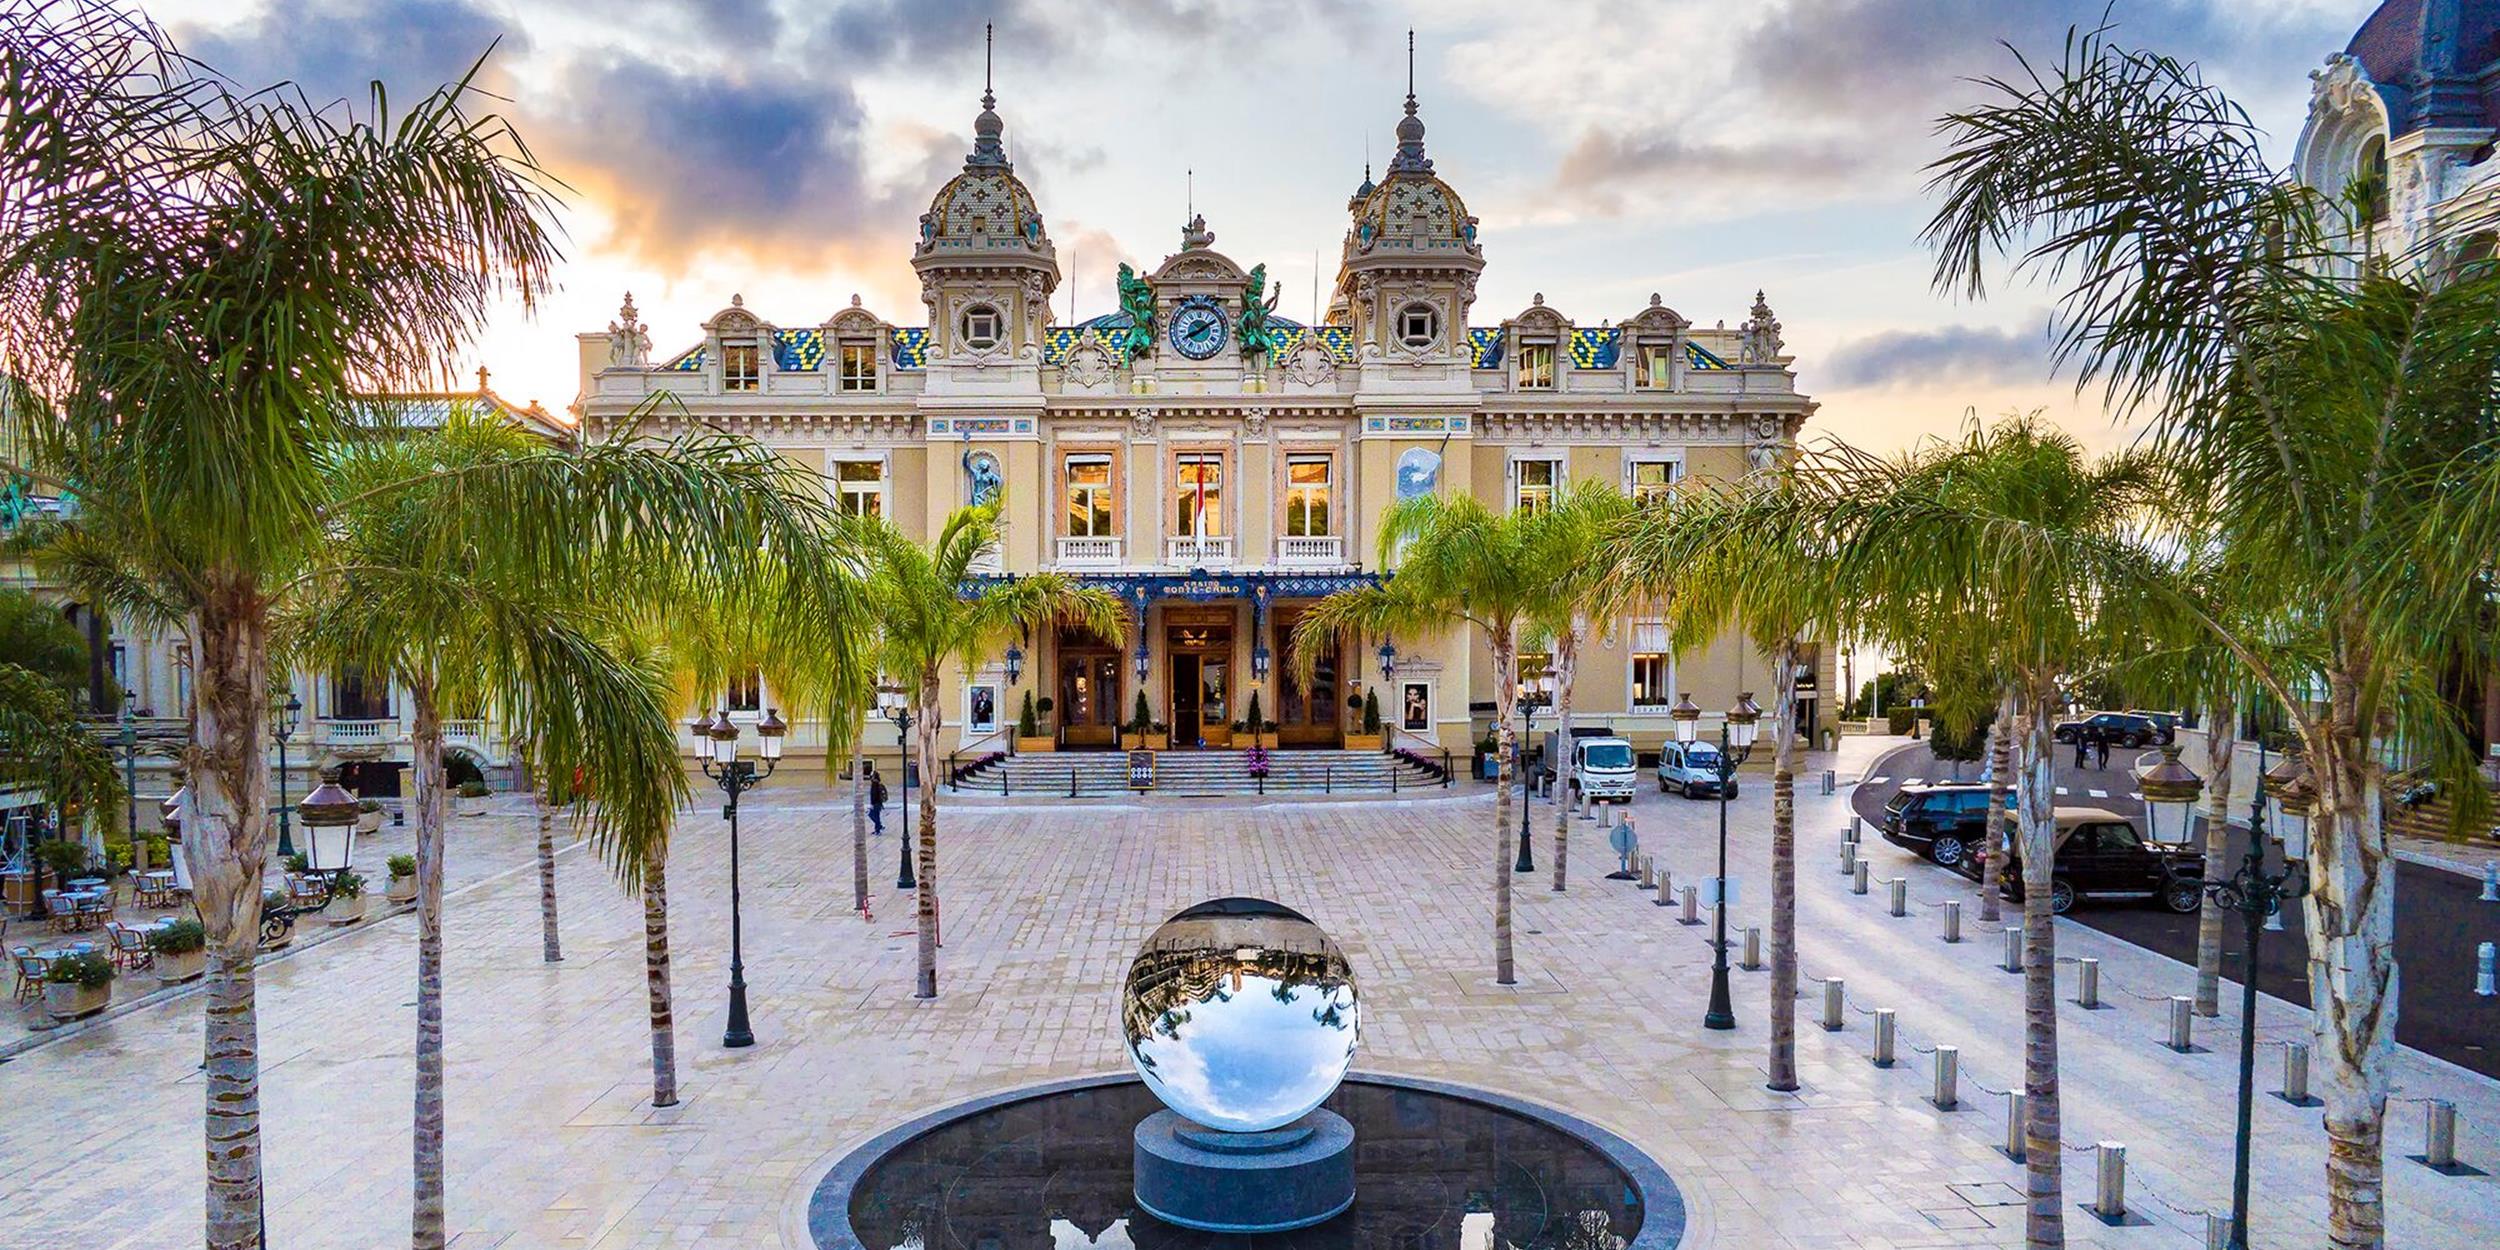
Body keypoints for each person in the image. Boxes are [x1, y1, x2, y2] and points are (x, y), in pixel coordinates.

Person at [867, 763, 888, 836]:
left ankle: (879, 827)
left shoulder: (874, 784)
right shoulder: (877, 783)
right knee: (876, 815)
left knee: (871, 815)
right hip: (878, 803)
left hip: (876, 803)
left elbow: (874, 795)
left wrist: (872, 804)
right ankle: (878, 828)